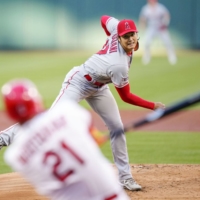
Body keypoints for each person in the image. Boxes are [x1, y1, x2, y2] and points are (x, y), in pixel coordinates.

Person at [0, 15, 166, 191]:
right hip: (78, 82)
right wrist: (153, 106)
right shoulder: (118, 65)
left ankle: (125, 177)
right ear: (119, 36)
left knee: (117, 127)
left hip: (100, 87)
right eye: (126, 36)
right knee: (47, 121)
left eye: (133, 34)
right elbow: (126, 97)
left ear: (136, 33)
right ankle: (3, 138)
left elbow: (104, 19)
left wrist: (106, 39)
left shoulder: (117, 28)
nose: (130, 38)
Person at [2, 79, 130, 200]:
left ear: (10, 113)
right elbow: (92, 136)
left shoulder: (15, 156)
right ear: (36, 101)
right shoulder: (66, 111)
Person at [139, 0, 177, 65]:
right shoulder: (146, 8)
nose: (151, 2)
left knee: (167, 42)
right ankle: (146, 57)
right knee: (147, 42)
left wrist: (165, 23)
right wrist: (142, 25)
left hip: (160, 27)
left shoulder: (160, 7)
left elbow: (167, 15)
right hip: (151, 27)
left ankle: (172, 57)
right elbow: (143, 18)